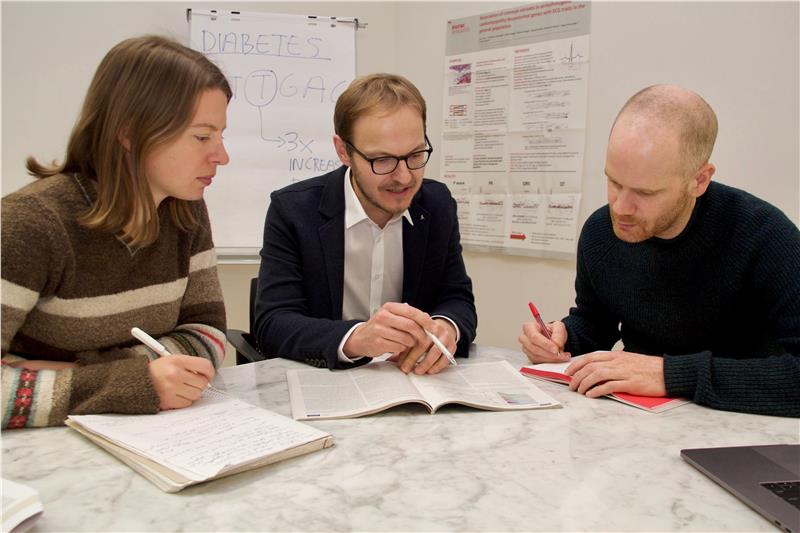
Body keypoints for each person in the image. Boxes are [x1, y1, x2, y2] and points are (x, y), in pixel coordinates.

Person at [519, 84, 800, 417]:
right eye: (614, 182)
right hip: (635, 422)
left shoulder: (764, 236)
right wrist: (562, 338)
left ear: (699, 180)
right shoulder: (600, 232)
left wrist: (669, 375)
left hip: (741, 427)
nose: (620, 208)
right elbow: (595, 322)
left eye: (645, 193)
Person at [1, 35, 231, 429]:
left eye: (221, 135)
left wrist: (79, 372)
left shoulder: (185, 211)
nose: (222, 156)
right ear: (130, 133)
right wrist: (134, 382)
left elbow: (207, 336)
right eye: (201, 136)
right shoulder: (30, 224)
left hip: (154, 433)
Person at [254, 73, 477, 374]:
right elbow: (273, 323)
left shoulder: (437, 204)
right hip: (326, 381)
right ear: (343, 151)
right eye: (382, 160)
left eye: (415, 155)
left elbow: (456, 297)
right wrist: (357, 339)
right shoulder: (294, 210)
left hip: (411, 382)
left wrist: (446, 327)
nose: (404, 177)